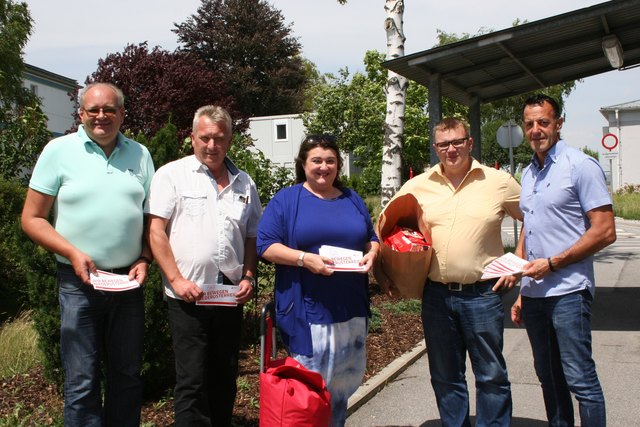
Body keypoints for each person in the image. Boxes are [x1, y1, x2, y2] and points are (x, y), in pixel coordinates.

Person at [20, 82, 155, 426]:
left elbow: (151, 220)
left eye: (110, 109)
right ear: (80, 114)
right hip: (78, 282)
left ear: (122, 114)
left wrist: (144, 257)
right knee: (81, 381)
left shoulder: (140, 154)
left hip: (127, 282)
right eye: (93, 110)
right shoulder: (58, 150)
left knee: (126, 376)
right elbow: (32, 219)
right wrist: (72, 252)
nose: (101, 116)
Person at [386, 117, 522, 426]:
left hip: (482, 295)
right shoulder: (417, 185)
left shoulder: (498, 181)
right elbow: (388, 226)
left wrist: (519, 263)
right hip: (436, 295)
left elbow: (535, 218)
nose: (451, 150)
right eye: (444, 144)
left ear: (470, 143)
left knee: (491, 375)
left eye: (457, 142)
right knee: (446, 376)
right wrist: (392, 271)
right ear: (435, 148)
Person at [145, 105, 261, 426]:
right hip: (188, 296)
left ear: (230, 140)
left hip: (229, 294)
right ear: (192, 137)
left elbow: (252, 236)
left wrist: (249, 276)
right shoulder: (171, 175)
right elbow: (156, 232)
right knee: (192, 380)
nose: (212, 146)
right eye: (205, 138)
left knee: (224, 376)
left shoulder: (244, 182)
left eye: (219, 139)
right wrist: (176, 280)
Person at [256, 134, 379, 427]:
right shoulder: (287, 200)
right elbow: (265, 245)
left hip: (351, 311)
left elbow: (370, 238)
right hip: (308, 315)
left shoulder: (351, 198)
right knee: (310, 395)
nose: (324, 167)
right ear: (303, 164)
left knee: (340, 393)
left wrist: (373, 252)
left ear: (338, 165)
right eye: (316, 161)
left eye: (330, 161)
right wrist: (303, 259)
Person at [511, 94, 616, 427]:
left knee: (580, 381)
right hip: (535, 296)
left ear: (558, 124)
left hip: (569, 292)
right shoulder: (528, 173)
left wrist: (553, 264)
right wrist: (520, 284)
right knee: (550, 382)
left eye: (543, 122)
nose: (536, 130)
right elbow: (531, 225)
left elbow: (605, 231)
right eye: (529, 124)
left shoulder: (580, 165)